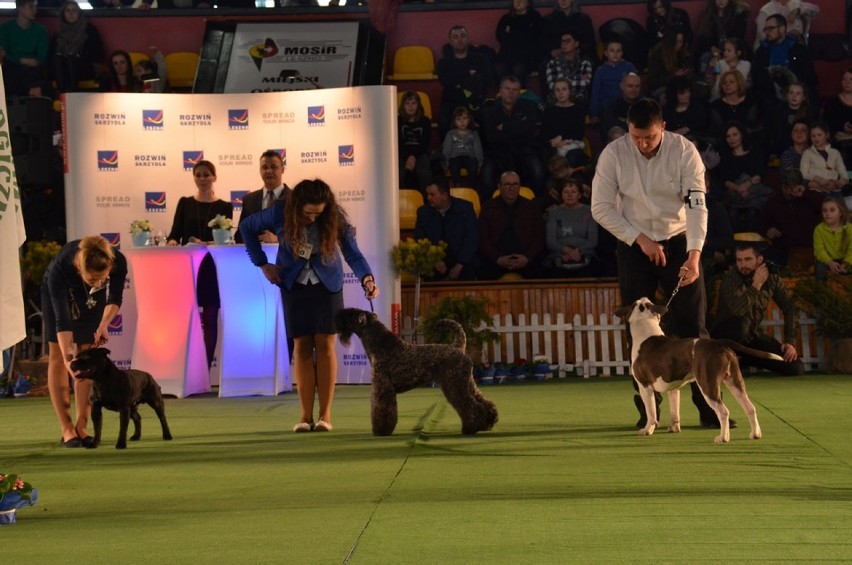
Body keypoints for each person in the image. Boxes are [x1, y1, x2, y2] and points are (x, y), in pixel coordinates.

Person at [591, 97, 721, 428]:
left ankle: (708, 408)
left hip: (680, 241)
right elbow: (601, 207)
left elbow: (697, 204)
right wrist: (639, 239)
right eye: (636, 137)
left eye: (649, 137)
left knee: (693, 326)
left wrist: (694, 255)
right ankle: (648, 411)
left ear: (662, 127)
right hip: (633, 242)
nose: (643, 144)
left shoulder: (685, 151)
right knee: (637, 331)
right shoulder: (614, 154)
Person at [240, 179, 379, 432]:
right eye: (307, 213)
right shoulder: (278, 212)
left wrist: (367, 278)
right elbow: (246, 227)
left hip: (328, 285)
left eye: (319, 213)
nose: (314, 219)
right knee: (302, 346)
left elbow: (352, 253)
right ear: (296, 207)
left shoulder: (334, 216)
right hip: (293, 283)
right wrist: (262, 263)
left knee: (325, 346)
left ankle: (325, 416)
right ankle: (305, 417)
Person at [42, 235, 128, 448]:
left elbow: (115, 297)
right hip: (59, 295)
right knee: (59, 359)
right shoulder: (60, 270)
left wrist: (103, 324)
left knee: (87, 356)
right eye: (93, 279)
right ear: (80, 269)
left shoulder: (116, 261)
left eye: (103, 279)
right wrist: (67, 358)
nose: (99, 283)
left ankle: (82, 425)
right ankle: (67, 428)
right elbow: (63, 320)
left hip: (91, 296)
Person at [166, 160, 233, 369]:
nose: (202, 179)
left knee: (211, 318)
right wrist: (173, 241)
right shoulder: (184, 202)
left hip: (212, 267)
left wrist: (208, 244)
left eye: (206, 175)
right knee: (187, 320)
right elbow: (174, 234)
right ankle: (188, 370)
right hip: (188, 266)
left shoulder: (224, 206)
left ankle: (204, 369)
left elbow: (225, 239)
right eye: (198, 175)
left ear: (214, 177)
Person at [711, 242, 805, 375]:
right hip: (724, 339)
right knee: (741, 324)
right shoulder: (731, 278)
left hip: (750, 339)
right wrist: (757, 284)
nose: (743, 264)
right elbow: (738, 311)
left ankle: (742, 360)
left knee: (795, 368)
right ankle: (726, 361)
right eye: (739, 260)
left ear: (759, 260)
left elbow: (790, 308)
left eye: (748, 259)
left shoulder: (771, 279)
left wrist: (790, 341)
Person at [480, 76, 545, 199]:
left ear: (519, 92)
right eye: (507, 89)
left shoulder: (529, 107)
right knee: (487, 172)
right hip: (498, 152)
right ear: (501, 90)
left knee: (538, 169)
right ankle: (488, 208)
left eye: (515, 90)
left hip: (525, 150)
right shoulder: (490, 111)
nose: (511, 93)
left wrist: (504, 127)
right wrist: (519, 125)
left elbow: (529, 130)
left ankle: (538, 207)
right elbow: (491, 137)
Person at [478, 170, 545, 280]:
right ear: (499, 187)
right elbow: (483, 239)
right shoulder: (488, 207)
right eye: (507, 184)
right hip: (495, 260)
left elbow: (540, 236)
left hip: (527, 259)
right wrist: (497, 259)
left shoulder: (532, 207)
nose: (512, 188)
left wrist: (527, 258)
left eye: (515, 184)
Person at [414, 177, 479, 281]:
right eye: (427, 194)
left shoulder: (465, 209)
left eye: (432, 195)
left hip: (461, 259)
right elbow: (419, 238)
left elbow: (471, 238)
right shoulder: (423, 212)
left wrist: (460, 264)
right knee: (428, 273)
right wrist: (434, 260)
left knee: (469, 270)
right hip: (434, 260)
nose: (428, 198)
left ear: (444, 195)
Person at [759, 168, 822, 269]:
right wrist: (767, 230)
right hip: (781, 248)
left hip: (806, 248)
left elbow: (827, 207)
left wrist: (805, 194)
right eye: (785, 188)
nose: (788, 192)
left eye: (792, 189)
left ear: (800, 186)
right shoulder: (773, 202)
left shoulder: (810, 198)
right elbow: (761, 223)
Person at [436, 25, 494, 136]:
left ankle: (485, 151)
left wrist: (458, 80)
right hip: (451, 101)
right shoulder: (444, 63)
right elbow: (446, 82)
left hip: (477, 99)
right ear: (450, 41)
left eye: (463, 36)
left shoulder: (481, 59)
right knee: (443, 120)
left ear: (467, 39)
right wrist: (468, 74)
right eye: (455, 37)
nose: (459, 40)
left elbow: (488, 81)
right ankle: (446, 151)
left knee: (488, 118)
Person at [717, 121, 774, 232]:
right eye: (728, 136)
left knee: (752, 211)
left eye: (735, 135)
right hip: (735, 194)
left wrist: (745, 186)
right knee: (732, 213)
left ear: (742, 135)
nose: (731, 139)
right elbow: (724, 180)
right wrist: (738, 189)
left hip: (754, 192)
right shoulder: (726, 157)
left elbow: (759, 175)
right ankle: (734, 246)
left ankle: (751, 245)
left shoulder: (755, 152)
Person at [544, 176, 598, 276]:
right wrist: (567, 251)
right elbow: (550, 241)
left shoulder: (589, 211)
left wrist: (576, 252)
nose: (569, 195)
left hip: (585, 252)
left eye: (573, 192)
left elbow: (593, 240)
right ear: (561, 195)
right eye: (566, 192)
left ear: (579, 195)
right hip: (559, 253)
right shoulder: (553, 213)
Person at [235, 150, 290, 244]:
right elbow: (239, 236)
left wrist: (279, 239)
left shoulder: (297, 199)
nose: (269, 171)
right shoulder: (249, 200)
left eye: (273, 167)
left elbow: (306, 240)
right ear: (260, 170)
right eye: (265, 167)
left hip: (287, 257)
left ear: (282, 170)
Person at [51, 0, 104, 93]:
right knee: (58, 58)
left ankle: (72, 93)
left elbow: (97, 53)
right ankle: (62, 92)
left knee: (72, 58)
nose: (71, 13)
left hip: (84, 67)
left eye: (74, 10)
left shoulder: (89, 29)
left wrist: (76, 55)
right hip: (62, 68)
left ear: (79, 13)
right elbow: (52, 53)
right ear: (63, 14)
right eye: (68, 11)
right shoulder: (58, 32)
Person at [0, 0, 49, 97]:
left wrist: (22, 60)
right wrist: (22, 60)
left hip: (33, 69)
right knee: (12, 71)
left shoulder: (41, 31)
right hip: (11, 67)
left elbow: (41, 58)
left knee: (34, 72)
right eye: (31, 6)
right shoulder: (5, 28)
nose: (35, 10)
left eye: (35, 7)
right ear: (20, 8)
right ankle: (29, 91)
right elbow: (3, 54)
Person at [540, 78, 588, 167]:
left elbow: (579, 133)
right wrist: (557, 143)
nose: (561, 93)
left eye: (564, 89)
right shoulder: (549, 110)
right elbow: (545, 134)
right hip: (553, 146)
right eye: (557, 90)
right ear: (554, 93)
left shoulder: (578, 109)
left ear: (569, 91)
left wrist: (562, 137)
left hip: (573, 145)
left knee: (572, 157)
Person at [694, 0, 750, 73]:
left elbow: (739, 37)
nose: (721, 1)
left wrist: (726, 51)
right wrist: (712, 48)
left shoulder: (738, 14)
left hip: (732, 48)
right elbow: (703, 37)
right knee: (705, 57)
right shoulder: (708, 13)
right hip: (713, 50)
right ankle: (705, 79)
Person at [494, 0, 543, 83]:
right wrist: (519, 35)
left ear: (527, 3)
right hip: (507, 55)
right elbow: (500, 36)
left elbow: (534, 38)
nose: (518, 2)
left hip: (527, 56)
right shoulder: (506, 18)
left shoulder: (535, 17)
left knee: (518, 70)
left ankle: (519, 94)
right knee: (499, 68)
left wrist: (511, 34)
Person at [589, 40, 637, 122]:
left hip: (625, 104)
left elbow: (636, 86)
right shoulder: (600, 71)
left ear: (622, 53)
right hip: (607, 106)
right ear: (605, 53)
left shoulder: (629, 67)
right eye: (612, 51)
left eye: (618, 51)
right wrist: (594, 114)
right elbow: (595, 93)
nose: (615, 54)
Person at [543, 29, 593, 105]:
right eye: (562, 41)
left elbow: (584, 85)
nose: (564, 44)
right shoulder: (552, 64)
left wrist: (562, 85)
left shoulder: (585, 64)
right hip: (557, 101)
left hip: (578, 101)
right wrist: (575, 83)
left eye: (568, 41)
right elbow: (553, 86)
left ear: (576, 44)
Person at [800, 122, 851, 196]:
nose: (816, 138)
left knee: (840, 206)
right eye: (813, 136)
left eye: (819, 135)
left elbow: (842, 171)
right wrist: (818, 179)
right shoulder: (807, 153)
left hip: (835, 190)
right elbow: (803, 173)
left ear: (827, 135)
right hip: (816, 190)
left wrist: (841, 181)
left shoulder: (835, 152)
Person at [397, 91, 433, 193]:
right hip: (402, 154)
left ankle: (427, 201)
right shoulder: (397, 121)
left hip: (420, 153)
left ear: (418, 105)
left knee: (424, 172)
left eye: (413, 103)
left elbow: (425, 142)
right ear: (403, 106)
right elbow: (398, 143)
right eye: (407, 103)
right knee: (399, 173)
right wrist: (408, 156)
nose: (410, 106)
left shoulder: (425, 121)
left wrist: (413, 156)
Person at [442, 106, 483, 190]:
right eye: (459, 119)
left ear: (469, 119)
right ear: (454, 122)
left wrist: (480, 162)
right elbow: (447, 148)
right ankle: (457, 186)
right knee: (454, 166)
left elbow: (478, 148)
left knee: (472, 165)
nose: (462, 121)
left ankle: (472, 187)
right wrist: (445, 162)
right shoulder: (450, 133)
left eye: (464, 118)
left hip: (469, 156)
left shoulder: (473, 134)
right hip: (455, 157)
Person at [813, 196, 852, 281]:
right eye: (824, 210)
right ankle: (822, 289)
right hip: (827, 259)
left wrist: (846, 263)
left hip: (845, 259)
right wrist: (830, 262)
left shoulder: (849, 228)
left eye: (832, 210)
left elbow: (851, 250)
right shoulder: (819, 229)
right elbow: (819, 250)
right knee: (819, 267)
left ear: (840, 212)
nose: (828, 213)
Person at [771, 82, 815, 156]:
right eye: (791, 93)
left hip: (804, 149)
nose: (794, 96)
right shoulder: (779, 109)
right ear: (787, 95)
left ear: (804, 97)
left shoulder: (809, 112)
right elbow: (776, 133)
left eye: (798, 93)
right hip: (782, 148)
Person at [820, 67, 852, 170]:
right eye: (844, 79)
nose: (847, 82)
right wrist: (842, 128)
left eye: (851, 79)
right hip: (839, 142)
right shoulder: (832, 102)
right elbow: (826, 125)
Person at [599, 71, 642, 142]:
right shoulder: (612, 105)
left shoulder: (646, 105)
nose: (634, 90)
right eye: (630, 86)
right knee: (617, 135)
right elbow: (608, 126)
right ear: (622, 86)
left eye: (637, 86)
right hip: (618, 142)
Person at [707, 37, 751, 101]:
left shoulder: (746, 65)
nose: (725, 53)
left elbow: (748, 84)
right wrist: (710, 68)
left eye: (729, 50)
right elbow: (709, 81)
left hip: (738, 100)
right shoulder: (719, 64)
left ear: (738, 53)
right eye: (724, 50)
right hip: (719, 99)